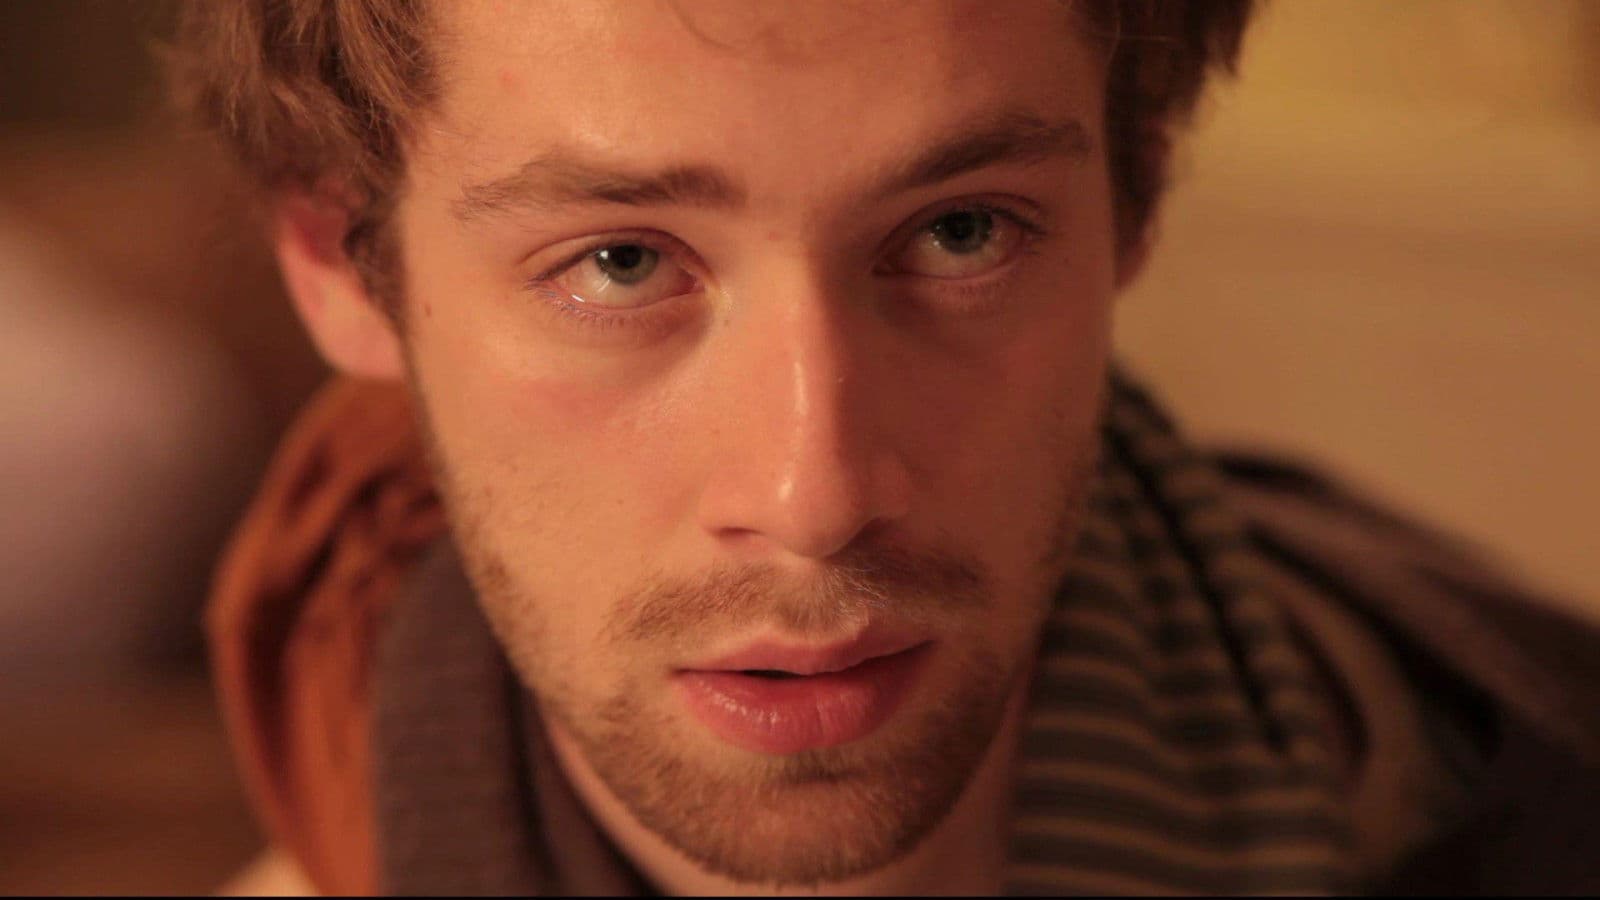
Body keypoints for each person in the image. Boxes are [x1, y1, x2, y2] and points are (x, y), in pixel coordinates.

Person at [171, 1, 1600, 894]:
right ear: (339, 263)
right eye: (616, 263)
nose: (818, 495)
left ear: (1139, 195)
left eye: (960, 232)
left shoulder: (1523, 799)